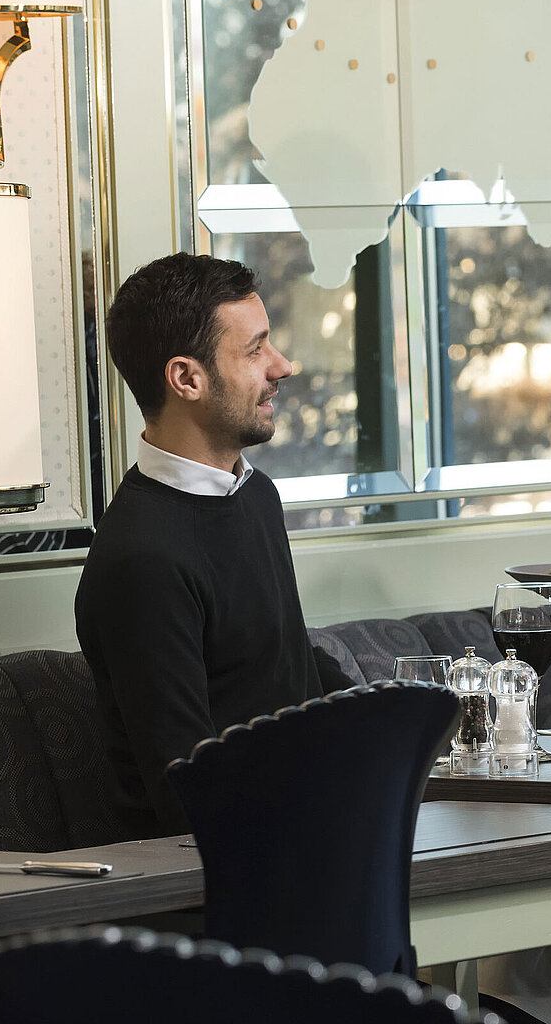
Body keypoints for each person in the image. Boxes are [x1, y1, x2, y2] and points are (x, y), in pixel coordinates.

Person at [76, 252, 354, 835]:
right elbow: (190, 787)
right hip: (211, 885)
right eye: (255, 350)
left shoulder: (255, 496)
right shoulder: (142, 561)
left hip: (310, 834)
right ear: (186, 379)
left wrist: (400, 719)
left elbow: (288, 668)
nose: (283, 365)